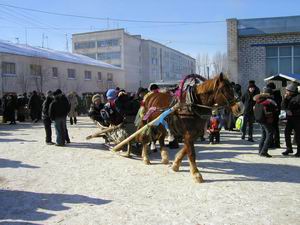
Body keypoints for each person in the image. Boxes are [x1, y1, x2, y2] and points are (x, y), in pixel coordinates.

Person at [253, 87, 278, 157]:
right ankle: (264, 151)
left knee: (264, 135)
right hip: (266, 120)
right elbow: (274, 110)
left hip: (260, 120)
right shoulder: (268, 101)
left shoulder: (258, 100)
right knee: (270, 133)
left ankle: (260, 150)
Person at [281, 83, 300, 157]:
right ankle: (289, 148)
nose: (286, 92)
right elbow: (282, 106)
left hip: (297, 119)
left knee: (298, 135)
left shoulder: (298, 97)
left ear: (292, 91)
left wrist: (293, 112)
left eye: (287, 90)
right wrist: (285, 99)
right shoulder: (288, 97)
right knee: (286, 133)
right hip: (290, 119)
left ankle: (299, 151)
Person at [266, 82, 282, 148]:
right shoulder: (278, 95)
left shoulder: (274, 95)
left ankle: (272, 143)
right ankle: (276, 143)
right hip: (276, 113)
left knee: (272, 129)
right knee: (275, 129)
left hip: (273, 114)